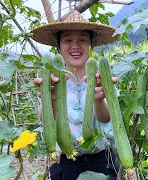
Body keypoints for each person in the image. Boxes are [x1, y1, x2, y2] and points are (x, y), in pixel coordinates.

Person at [32, 10, 120, 180]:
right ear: (58, 46)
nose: (75, 45)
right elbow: (44, 118)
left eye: (82, 39)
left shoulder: (102, 77)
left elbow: (106, 118)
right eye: (67, 40)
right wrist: (51, 97)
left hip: (101, 158)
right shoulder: (51, 77)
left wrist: (99, 99)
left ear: (91, 45)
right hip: (64, 162)